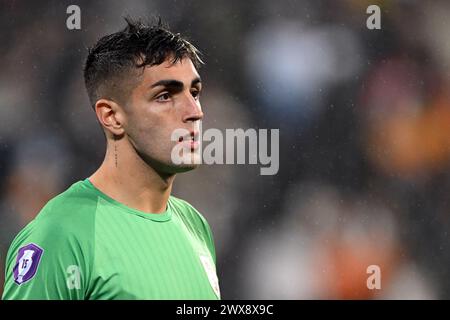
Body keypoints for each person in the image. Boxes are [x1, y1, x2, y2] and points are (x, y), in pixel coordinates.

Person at [2, 17, 220, 300]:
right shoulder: (62, 234)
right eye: (165, 96)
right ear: (112, 116)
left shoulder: (195, 225)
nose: (195, 111)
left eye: (194, 92)